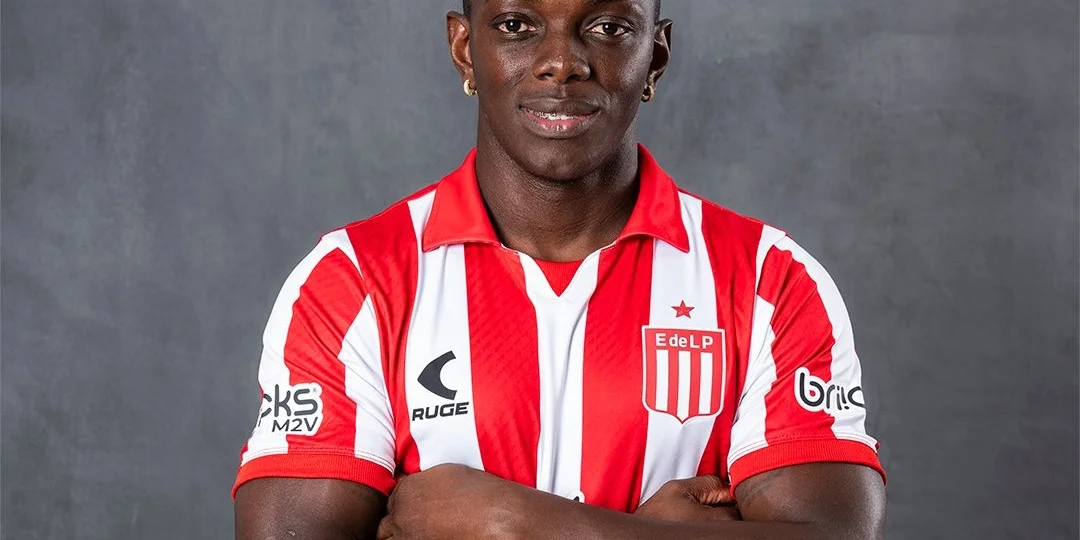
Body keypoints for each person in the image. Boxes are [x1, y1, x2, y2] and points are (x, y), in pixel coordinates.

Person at [233, 0, 887, 538]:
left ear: (655, 56)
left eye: (607, 28)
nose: (562, 63)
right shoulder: (351, 281)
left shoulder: (771, 280)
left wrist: (511, 521)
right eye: (517, 25)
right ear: (465, 48)